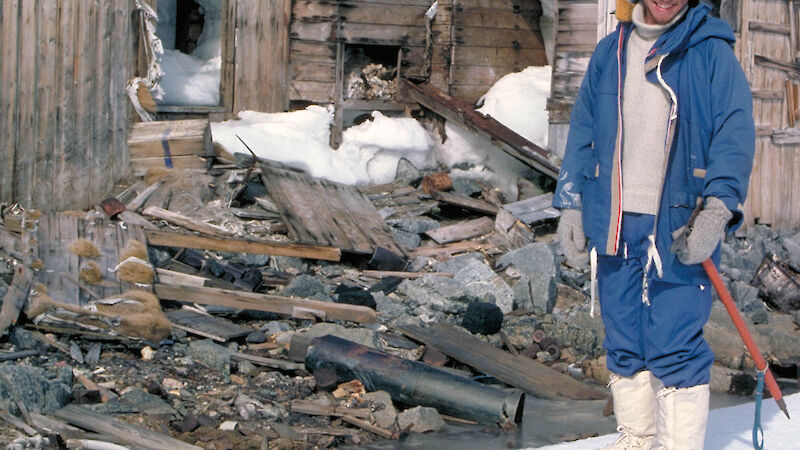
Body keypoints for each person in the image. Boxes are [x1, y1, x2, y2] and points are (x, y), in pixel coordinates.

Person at [552, 0, 755, 447]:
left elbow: (734, 133)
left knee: (676, 340)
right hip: (615, 219)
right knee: (623, 335)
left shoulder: (710, 52)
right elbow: (583, 131)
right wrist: (570, 202)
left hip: (682, 221)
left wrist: (718, 207)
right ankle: (637, 438)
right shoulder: (610, 53)